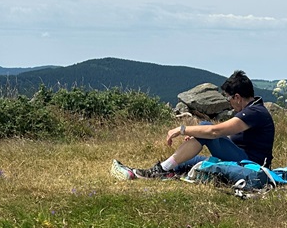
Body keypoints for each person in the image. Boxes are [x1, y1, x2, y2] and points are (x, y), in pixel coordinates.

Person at [112, 70, 275, 180]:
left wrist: (183, 129)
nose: (229, 103)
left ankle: (159, 171)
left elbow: (214, 131)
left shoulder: (254, 113)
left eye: (228, 98)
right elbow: (230, 137)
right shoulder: (253, 110)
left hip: (251, 164)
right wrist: (198, 134)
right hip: (243, 157)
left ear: (237, 97)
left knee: (205, 127)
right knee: (188, 160)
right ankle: (158, 171)